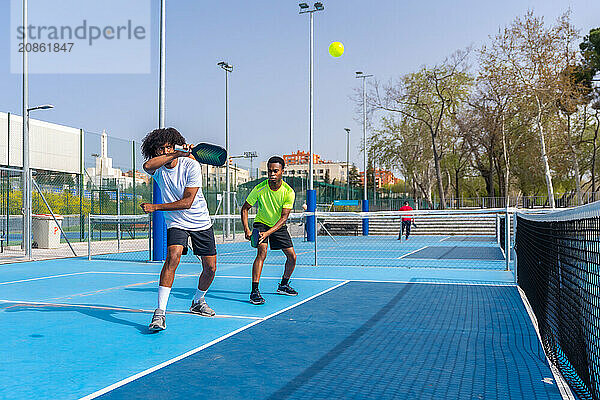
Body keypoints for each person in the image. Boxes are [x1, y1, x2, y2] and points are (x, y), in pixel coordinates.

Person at [140, 127, 217, 332]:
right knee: (173, 257)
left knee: (210, 268)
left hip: (200, 221)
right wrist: (173, 153)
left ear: (175, 144)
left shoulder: (191, 165)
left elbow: (187, 202)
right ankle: (160, 313)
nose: (164, 152)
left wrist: (155, 207)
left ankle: (198, 301)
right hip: (176, 222)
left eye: (168, 147)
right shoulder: (157, 169)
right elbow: (147, 165)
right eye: (159, 149)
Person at [241, 156, 297, 305]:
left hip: (278, 224)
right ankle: (254, 292)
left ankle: (283, 285)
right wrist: (247, 230)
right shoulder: (259, 188)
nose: (272, 174)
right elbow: (245, 209)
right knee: (262, 252)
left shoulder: (288, 192)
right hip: (261, 223)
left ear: (282, 172)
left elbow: (284, 218)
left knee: (292, 257)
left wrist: (267, 234)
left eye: (275, 171)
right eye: (270, 171)